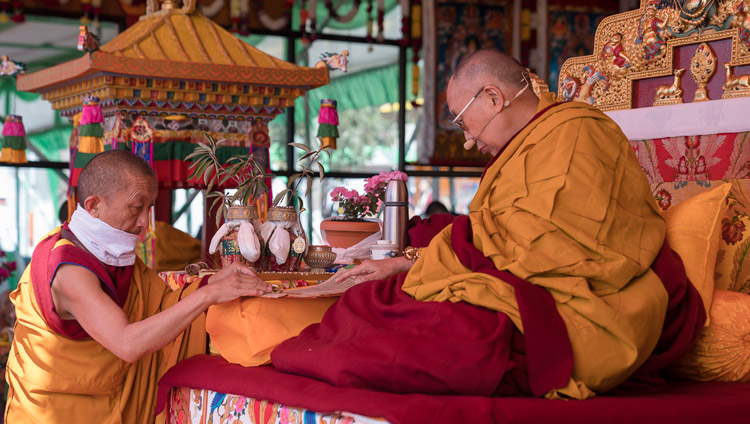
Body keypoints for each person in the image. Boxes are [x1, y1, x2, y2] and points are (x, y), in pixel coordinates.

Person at [334, 48, 703, 399]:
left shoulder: (581, 133)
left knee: (405, 326)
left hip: (580, 305)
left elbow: (557, 242)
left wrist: (423, 259)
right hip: (512, 286)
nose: (466, 142)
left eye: (463, 121)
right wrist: (416, 260)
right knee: (373, 306)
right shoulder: (524, 147)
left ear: (493, 97)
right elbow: (499, 234)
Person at [5, 149, 271, 423]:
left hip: (109, 399)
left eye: (150, 208)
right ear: (94, 205)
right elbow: (127, 343)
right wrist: (207, 295)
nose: (145, 222)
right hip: (58, 413)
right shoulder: (68, 267)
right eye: (136, 207)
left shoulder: (111, 255)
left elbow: (161, 304)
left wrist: (211, 281)